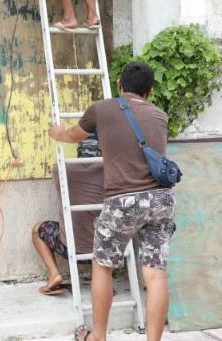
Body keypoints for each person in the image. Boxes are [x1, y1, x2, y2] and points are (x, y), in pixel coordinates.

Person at [48, 61, 174, 341]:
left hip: (123, 200)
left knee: (103, 266)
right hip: (160, 200)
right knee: (156, 275)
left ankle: (99, 336)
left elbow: (73, 136)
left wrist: (57, 133)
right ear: (150, 92)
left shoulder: (102, 109)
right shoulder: (160, 115)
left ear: (119, 86)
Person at [32, 135, 103, 295]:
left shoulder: (60, 170)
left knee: (37, 229)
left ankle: (54, 275)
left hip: (70, 247)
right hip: (104, 250)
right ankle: (102, 282)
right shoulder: (111, 173)